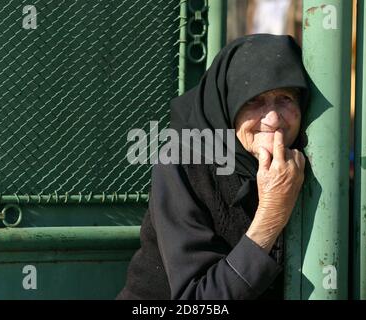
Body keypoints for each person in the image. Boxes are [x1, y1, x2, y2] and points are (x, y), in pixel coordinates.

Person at [116, 34, 309, 300]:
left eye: (286, 98)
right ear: (228, 105)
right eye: (253, 100)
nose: (273, 118)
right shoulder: (184, 163)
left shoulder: (310, 163)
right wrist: (271, 215)